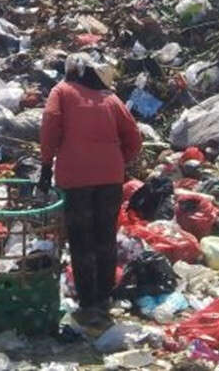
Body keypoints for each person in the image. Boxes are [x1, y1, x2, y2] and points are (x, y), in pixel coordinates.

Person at [39, 52, 142, 327]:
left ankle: (88, 302)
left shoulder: (61, 92)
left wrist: (46, 166)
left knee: (81, 239)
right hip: (110, 178)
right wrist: (119, 161)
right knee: (105, 237)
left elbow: (50, 126)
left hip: (75, 179)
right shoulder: (110, 98)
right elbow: (134, 136)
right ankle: (104, 298)